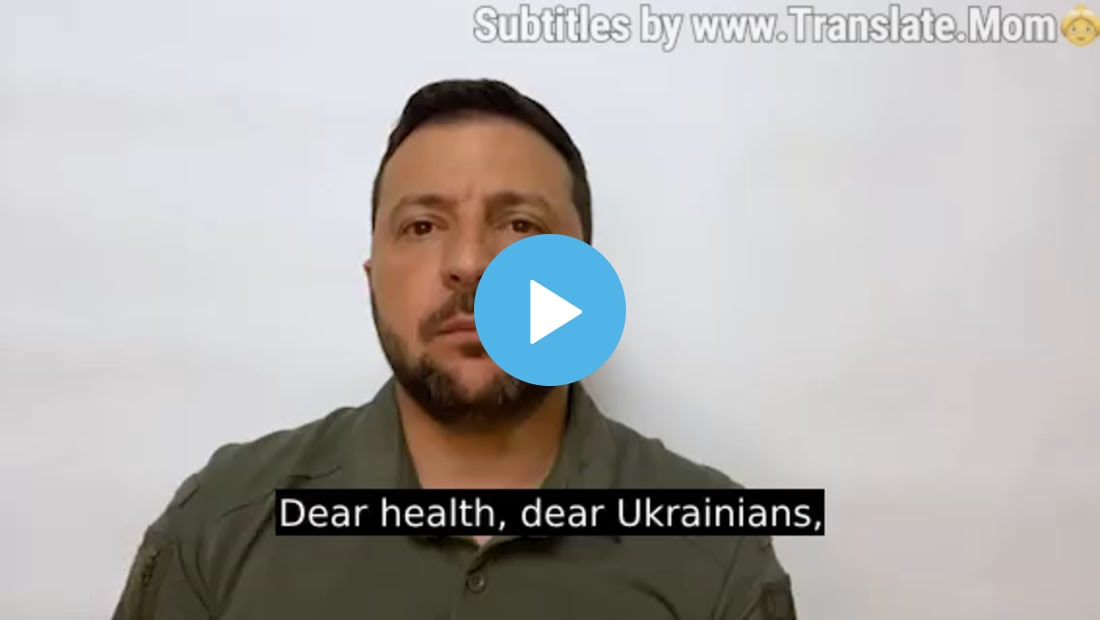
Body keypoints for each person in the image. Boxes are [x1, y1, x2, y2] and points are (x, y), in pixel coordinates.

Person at [113, 78, 797, 619]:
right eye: (422, 226)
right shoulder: (221, 522)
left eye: (520, 224)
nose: (470, 263)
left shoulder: (716, 550)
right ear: (372, 276)